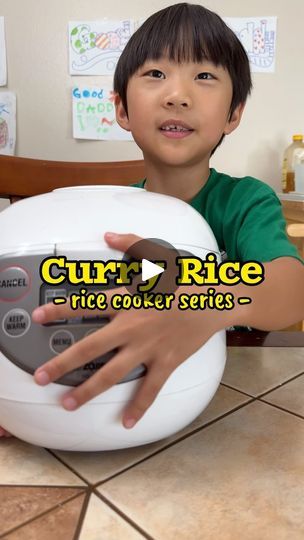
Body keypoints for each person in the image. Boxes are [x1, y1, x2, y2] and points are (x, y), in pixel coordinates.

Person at [1, 3, 303, 438]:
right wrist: (27, 399)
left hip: (225, 403)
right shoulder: (105, 220)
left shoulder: (244, 202)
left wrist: (201, 302)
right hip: (121, 410)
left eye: (204, 76)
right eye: (156, 74)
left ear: (233, 114)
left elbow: (292, 291)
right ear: (121, 109)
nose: (177, 94)